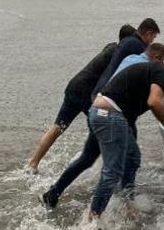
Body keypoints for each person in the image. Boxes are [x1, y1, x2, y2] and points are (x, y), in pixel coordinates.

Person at [41, 54, 164, 217]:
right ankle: (93, 218)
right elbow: (154, 102)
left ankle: (53, 195)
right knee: (112, 171)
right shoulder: (161, 71)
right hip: (111, 116)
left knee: (116, 157)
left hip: (98, 112)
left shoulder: (159, 72)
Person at [26, 24, 136, 173]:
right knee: (105, 128)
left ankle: (33, 164)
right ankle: (108, 167)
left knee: (58, 127)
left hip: (74, 87)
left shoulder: (111, 47)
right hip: (86, 94)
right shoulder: (118, 55)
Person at [90, 18, 160, 99]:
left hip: (100, 90)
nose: (152, 41)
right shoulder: (136, 45)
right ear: (149, 34)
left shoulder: (128, 40)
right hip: (107, 94)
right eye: (153, 37)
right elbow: (152, 65)